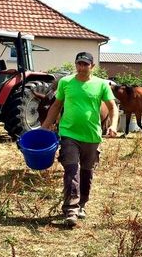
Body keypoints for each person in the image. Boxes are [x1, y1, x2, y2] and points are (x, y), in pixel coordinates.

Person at [41, 51, 119, 227]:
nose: (82, 67)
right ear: (75, 65)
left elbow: (113, 108)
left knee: (86, 171)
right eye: (79, 64)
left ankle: (82, 203)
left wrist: (113, 125)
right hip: (69, 134)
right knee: (71, 170)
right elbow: (56, 105)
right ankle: (71, 210)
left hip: (92, 136)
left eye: (85, 64)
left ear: (92, 66)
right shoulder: (66, 82)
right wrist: (45, 126)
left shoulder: (101, 85)